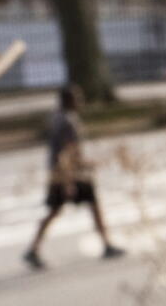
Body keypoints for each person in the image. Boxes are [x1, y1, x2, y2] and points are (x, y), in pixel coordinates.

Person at [23, 84, 124, 269]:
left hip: (58, 173)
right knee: (89, 205)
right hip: (69, 174)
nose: (81, 102)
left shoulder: (56, 117)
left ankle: (34, 248)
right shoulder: (69, 121)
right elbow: (69, 151)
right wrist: (72, 178)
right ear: (70, 101)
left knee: (57, 210)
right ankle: (107, 244)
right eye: (78, 98)